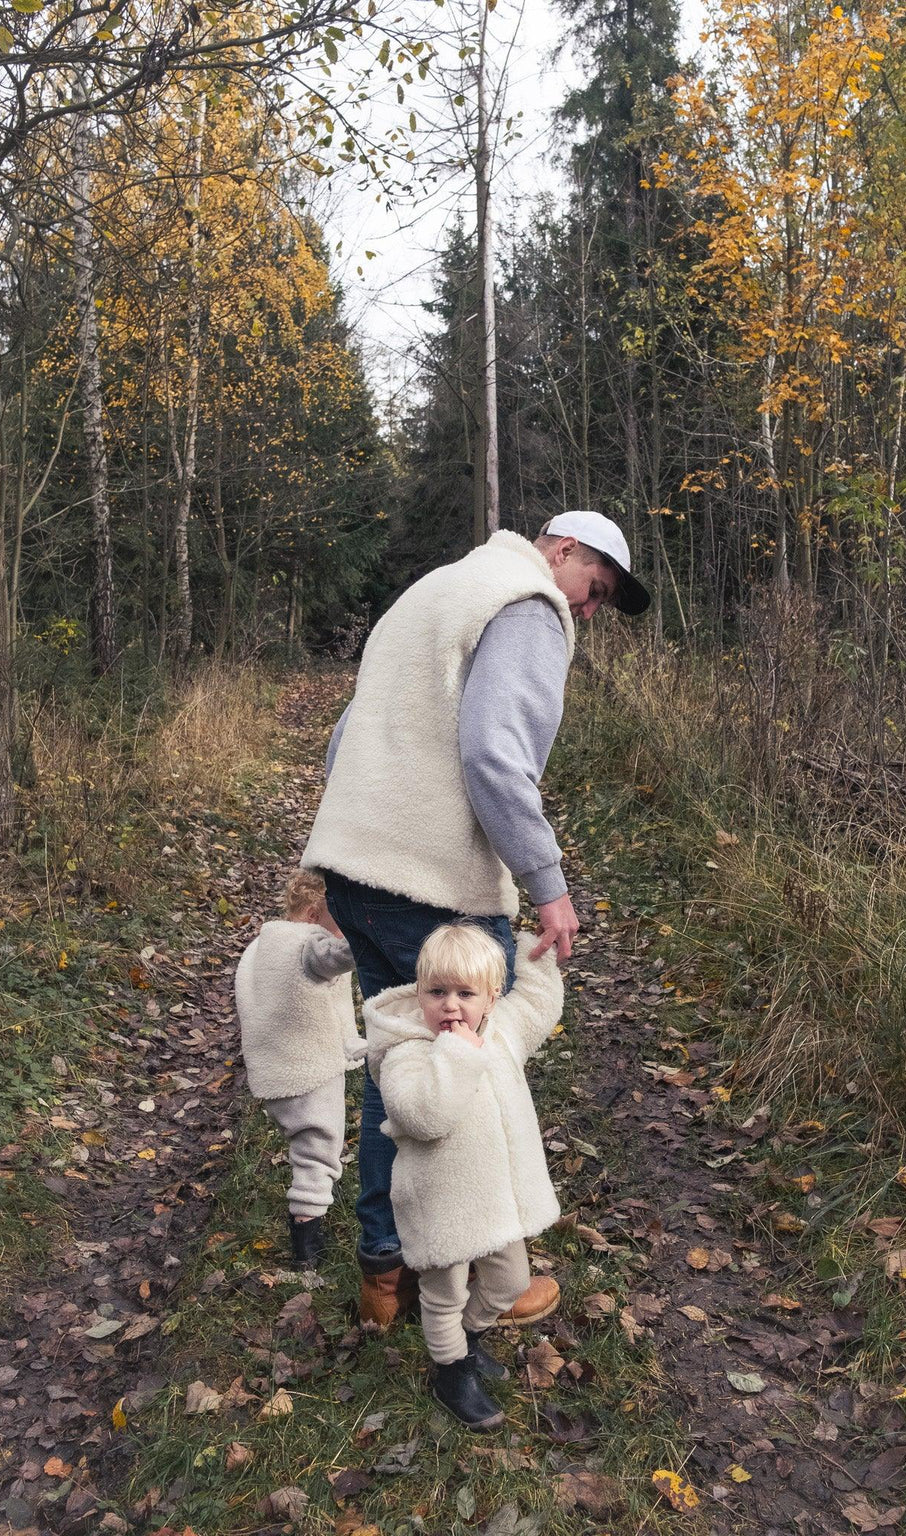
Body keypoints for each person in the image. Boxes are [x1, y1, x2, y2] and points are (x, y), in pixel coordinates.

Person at [301, 509, 650, 1324]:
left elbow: (345, 739)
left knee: (402, 1075)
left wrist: (337, 855)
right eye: (592, 591)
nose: (586, 613)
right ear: (563, 551)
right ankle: (485, 1281)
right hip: (436, 891)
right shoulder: (529, 603)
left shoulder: (435, 592)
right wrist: (547, 881)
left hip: (362, 879)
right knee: (471, 1083)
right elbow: (495, 752)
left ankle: (385, 1272)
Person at [364, 923, 563, 1430]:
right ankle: (450, 1372)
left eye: (465, 993)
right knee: (444, 1294)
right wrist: (456, 1053)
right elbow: (423, 1115)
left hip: (496, 1198)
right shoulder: (406, 1051)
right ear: (418, 992)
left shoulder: (501, 1031)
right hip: (440, 1204)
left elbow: (538, 1007)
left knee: (510, 1281)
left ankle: (468, 1341)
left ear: (492, 998)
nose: (450, 1006)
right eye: (437, 992)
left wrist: (536, 955)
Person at [234, 871, 366, 1270]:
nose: (339, 934)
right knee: (317, 1150)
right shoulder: (308, 947)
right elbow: (340, 956)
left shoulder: (260, 947)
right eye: (339, 922)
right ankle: (307, 1246)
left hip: (274, 1071)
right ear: (313, 914)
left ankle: (313, 1206)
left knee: (306, 1146)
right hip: (309, 1071)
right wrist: (368, 930)